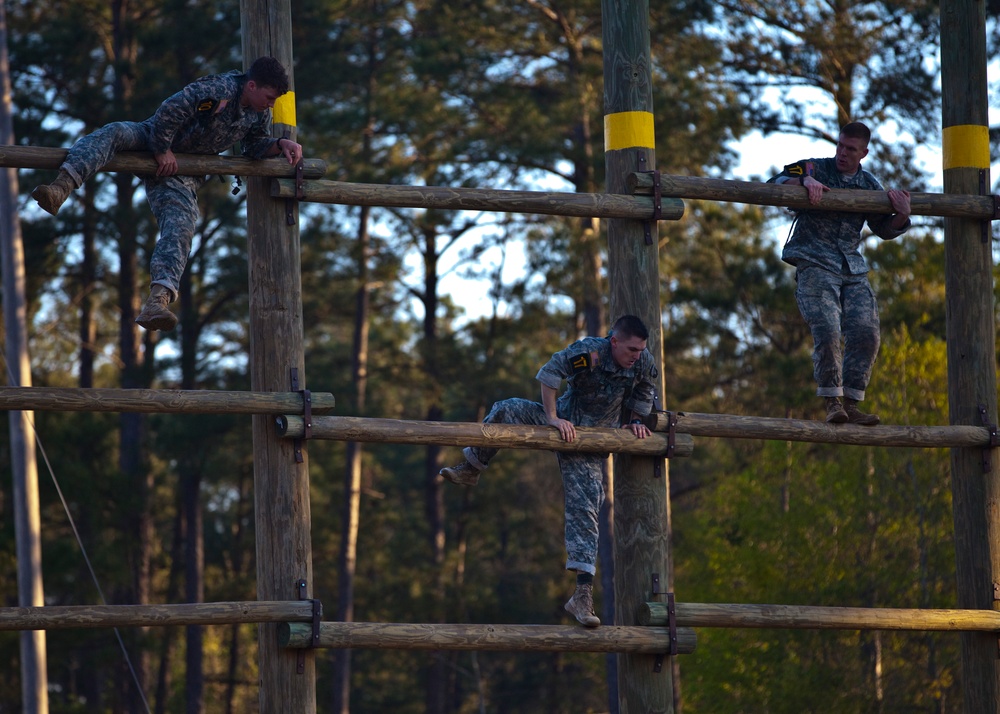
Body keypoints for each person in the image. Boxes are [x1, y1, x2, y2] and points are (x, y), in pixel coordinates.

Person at [31, 56, 303, 332]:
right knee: (113, 133)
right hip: (152, 139)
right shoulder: (219, 89)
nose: (271, 105)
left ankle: (157, 303)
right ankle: (59, 188)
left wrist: (279, 144)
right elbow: (170, 109)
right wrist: (161, 148)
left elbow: (253, 147)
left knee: (181, 227)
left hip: (181, 173)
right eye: (269, 97)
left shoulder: (259, 113)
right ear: (252, 85)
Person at [440, 314, 659, 627]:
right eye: (630, 350)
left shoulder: (641, 361)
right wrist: (553, 417)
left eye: (639, 350)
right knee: (506, 408)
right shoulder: (591, 353)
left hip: (590, 441)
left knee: (586, 510)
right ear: (614, 341)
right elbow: (550, 373)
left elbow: (646, 388)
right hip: (562, 423)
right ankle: (471, 467)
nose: (635, 355)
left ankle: (581, 596)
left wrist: (636, 420)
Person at [769, 122, 911, 426]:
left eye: (850, 149)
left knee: (866, 332)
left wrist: (901, 214)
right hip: (815, 261)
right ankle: (832, 402)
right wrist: (805, 182)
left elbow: (882, 228)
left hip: (852, 268)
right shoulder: (813, 167)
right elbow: (777, 181)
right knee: (828, 329)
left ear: (864, 153)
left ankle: (852, 403)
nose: (843, 153)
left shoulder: (869, 184)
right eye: (840, 145)